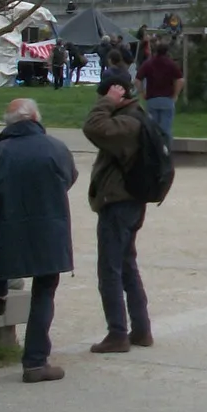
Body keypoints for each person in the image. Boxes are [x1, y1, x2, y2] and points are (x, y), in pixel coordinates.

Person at [0, 96, 77, 384]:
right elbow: (69, 178)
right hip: (49, 230)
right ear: (36, 119)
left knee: (0, 264)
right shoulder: (56, 148)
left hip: (4, 228)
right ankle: (35, 362)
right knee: (45, 290)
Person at [82, 78, 154, 353]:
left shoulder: (127, 123)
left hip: (119, 201)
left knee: (110, 269)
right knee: (126, 265)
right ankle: (141, 329)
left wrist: (107, 102)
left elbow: (92, 127)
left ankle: (117, 333)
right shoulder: (138, 117)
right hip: (132, 201)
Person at [137, 39, 184, 139]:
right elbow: (180, 80)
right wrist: (175, 95)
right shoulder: (171, 64)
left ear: (155, 51)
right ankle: (165, 149)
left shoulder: (148, 63)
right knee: (166, 130)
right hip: (167, 99)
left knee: (152, 129)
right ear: (167, 51)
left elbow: (137, 80)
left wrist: (142, 92)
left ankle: (153, 151)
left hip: (152, 99)